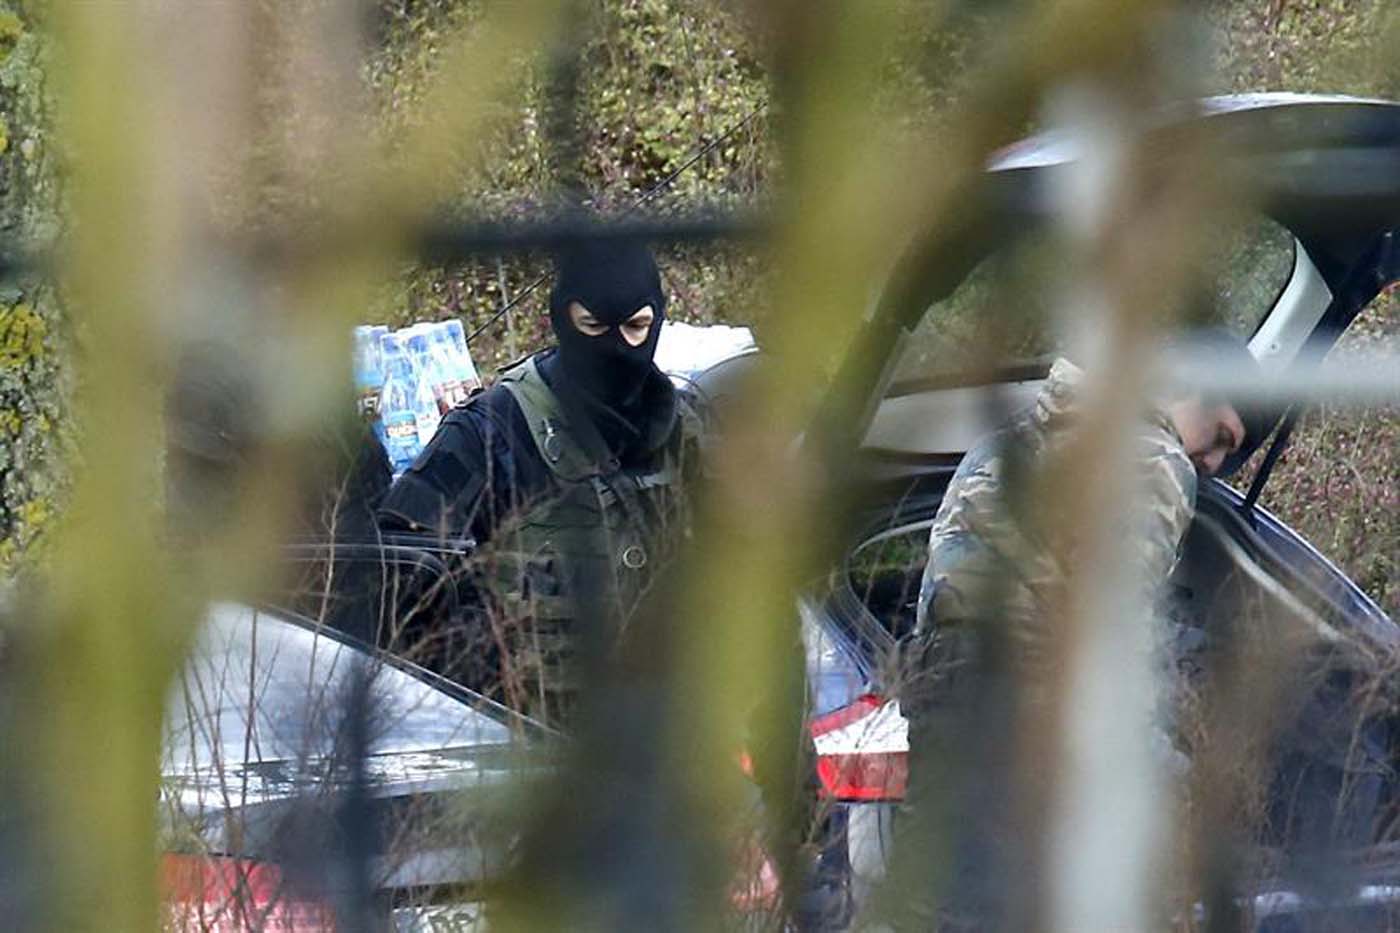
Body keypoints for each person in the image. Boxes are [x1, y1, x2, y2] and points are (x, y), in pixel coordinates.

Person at [887, 333, 1274, 928]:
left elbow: (935, 600)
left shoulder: (1004, 445)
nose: (1216, 461)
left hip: (942, 712)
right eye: (1220, 435)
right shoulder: (1155, 460)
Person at [377, 239, 704, 722]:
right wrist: (486, 667)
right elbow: (397, 572)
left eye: (637, 328)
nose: (617, 348)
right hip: (529, 746)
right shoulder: (491, 431)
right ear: (561, 318)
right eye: (593, 326)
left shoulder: (686, 429)